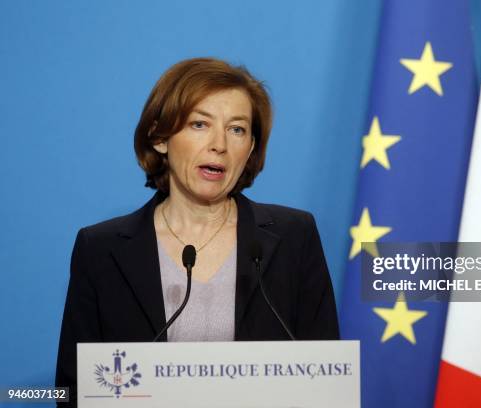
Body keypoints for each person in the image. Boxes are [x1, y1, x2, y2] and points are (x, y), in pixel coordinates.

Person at [55, 58, 339, 404]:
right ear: (160, 137)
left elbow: (326, 382)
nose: (219, 144)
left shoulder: (295, 237)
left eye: (237, 129)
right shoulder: (100, 250)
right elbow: (73, 390)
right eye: (200, 124)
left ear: (249, 149)